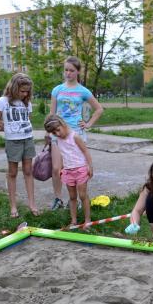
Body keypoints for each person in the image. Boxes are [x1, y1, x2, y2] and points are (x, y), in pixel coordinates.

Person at [49, 56, 103, 210]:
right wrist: (50, 132)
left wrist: (88, 124)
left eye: (72, 70)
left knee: (78, 168)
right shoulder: (57, 90)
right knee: (56, 168)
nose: (68, 73)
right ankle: (58, 199)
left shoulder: (83, 91)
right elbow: (52, 114)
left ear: (78, 72)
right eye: (66, 70)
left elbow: (99, 109)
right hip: (57, 134)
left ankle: (79, 199)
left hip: (76, 134)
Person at [0, 73, 38, 218]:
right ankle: (13, 206)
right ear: (13, 88)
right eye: (22, 91)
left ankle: (32, 204)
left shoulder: (27, 103)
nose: (25, 94)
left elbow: (27, 120)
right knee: (12, 173)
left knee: (28, 171)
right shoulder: (3, 101)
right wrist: (3, 126)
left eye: (27, 91)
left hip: (28, 139)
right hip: (13, 141)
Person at [43, 114, 93, 225]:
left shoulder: (74, 136)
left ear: (63, 124)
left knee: (83, 195)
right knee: (72, 196)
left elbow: (85, 151)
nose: (57, 134)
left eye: (58, 130)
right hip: (68, 172)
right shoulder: (58, 140)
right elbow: (62, 155)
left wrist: (90, 166)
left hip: (81, 169)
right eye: (54, 133)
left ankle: (87, 220)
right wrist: (61, 169)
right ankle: (74, 220)